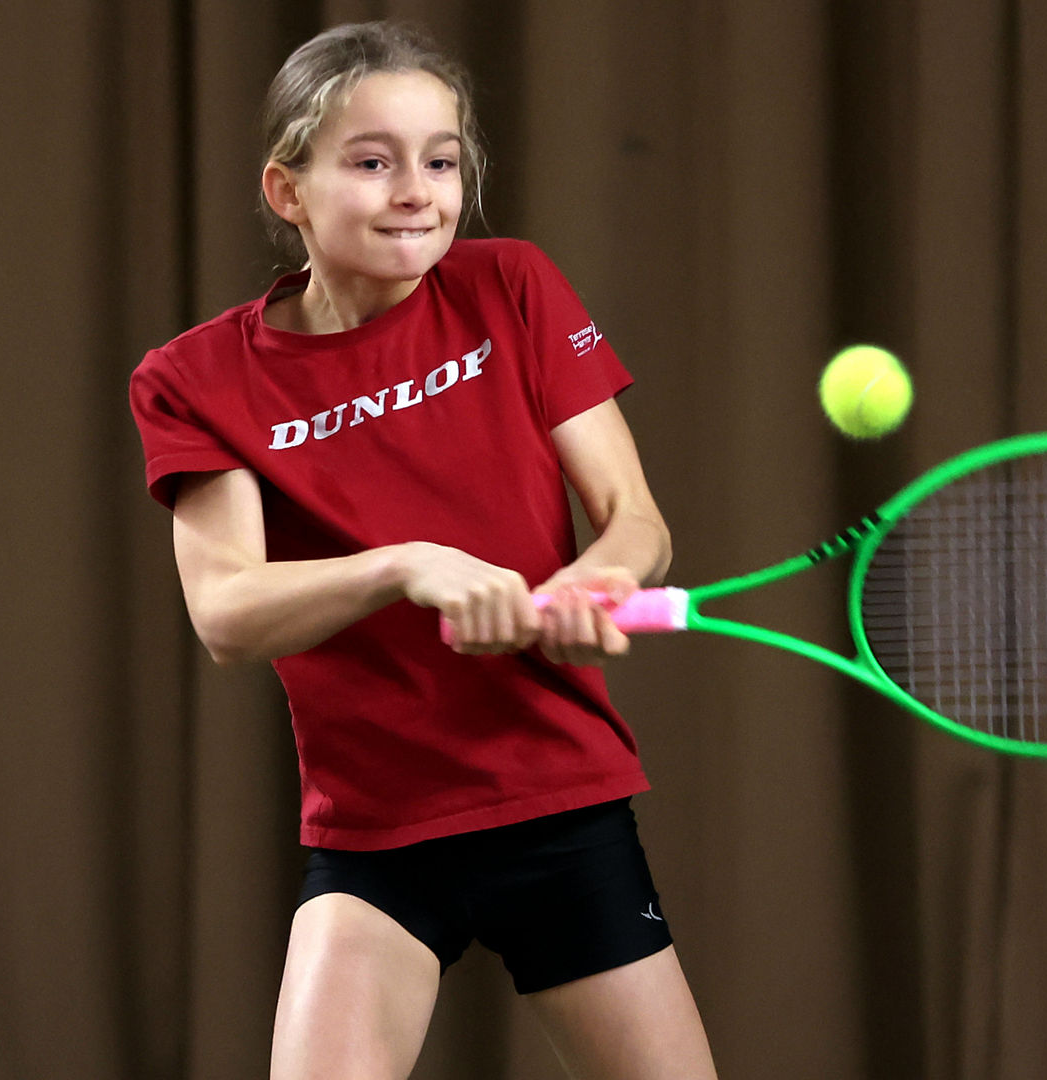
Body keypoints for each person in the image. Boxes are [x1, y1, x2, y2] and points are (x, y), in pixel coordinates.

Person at [128, 20, 719, 1080]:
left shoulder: (513, 288)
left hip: (559, 807)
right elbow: (226, 612)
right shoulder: (194, 378)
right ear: (287, 190)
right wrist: (403, 564)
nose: (417, 190)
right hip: (373, 840)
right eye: (371, 161)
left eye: (441, 160)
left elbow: (638, 520)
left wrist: (597, 577)